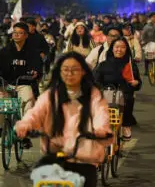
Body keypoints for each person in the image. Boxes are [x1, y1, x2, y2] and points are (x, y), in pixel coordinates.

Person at [15, 52, 112, 187]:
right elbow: (35, 113)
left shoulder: (93, 95)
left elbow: (101, 115)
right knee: (39, 176)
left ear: (83, 71)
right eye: (65, 69)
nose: (69, 73)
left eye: (74, 69)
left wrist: (101, 130)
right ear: (59, 72)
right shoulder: (50, 95)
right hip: (54, 153)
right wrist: (25, 124)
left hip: (83, 157)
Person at [0, 22, 43, 148]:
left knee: (28, 103)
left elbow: (38, 68)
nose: (16, 35)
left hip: (24, 84)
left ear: (26, 35)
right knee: (2, 105)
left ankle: (23, 133)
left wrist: (35, 73)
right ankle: (3, 129)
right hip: (6, 84)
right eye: (14, 33)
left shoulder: (33, 52)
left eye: (20, 33)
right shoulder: (4, 51)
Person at [94, 37, 142, 140]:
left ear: (126, 49)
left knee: (128, 99)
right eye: (117, 47)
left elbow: (138, 83)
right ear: (112, 48)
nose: (119, 50)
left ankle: (126, 125)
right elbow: (95, 80)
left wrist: (136, 83)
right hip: (106, 93)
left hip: (124, 94)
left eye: (122, 47)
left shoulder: (130, 65)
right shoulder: (103, 64)